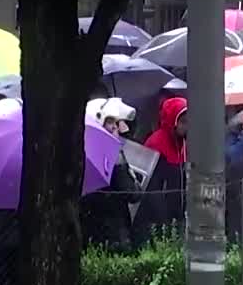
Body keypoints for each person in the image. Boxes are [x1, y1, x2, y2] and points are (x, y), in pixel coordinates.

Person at [81, 98, 141, 253]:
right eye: (109, 122)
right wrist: (133, 177)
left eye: (116, 121)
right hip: (115, 233)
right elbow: (133, 193)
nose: (115, 126)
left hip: (89, 234)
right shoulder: (113, 156)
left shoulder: (82, 154)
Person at [134, 97, 188, 247]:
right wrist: (162, 219)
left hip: (178, 211)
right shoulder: (155, 144)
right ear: (173, 121)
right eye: (183, 122)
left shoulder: (183, 143)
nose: (187, 126)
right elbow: (152, 188)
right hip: (159, 214)